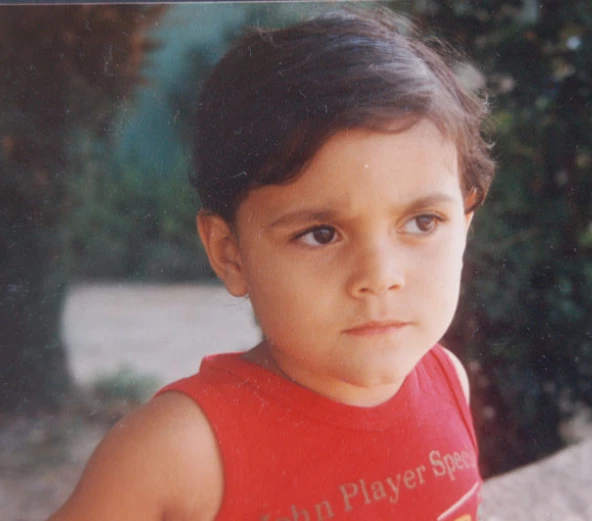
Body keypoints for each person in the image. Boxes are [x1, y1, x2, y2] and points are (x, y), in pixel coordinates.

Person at [49, 8, 495, 521]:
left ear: (465, 220)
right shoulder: (178, 453)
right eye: (320, 234)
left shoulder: (447, 380)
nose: (379, 276)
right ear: (229, 253)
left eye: (421, 222)